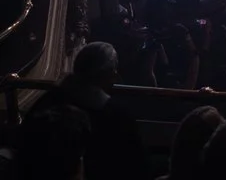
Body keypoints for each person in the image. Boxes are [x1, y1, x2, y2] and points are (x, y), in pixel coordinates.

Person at [27, 42, 146, 180]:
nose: (116, 74)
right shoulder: (117, 115)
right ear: (104, 73)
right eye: (113, 69)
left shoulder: (47, 101)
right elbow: (136, 164)